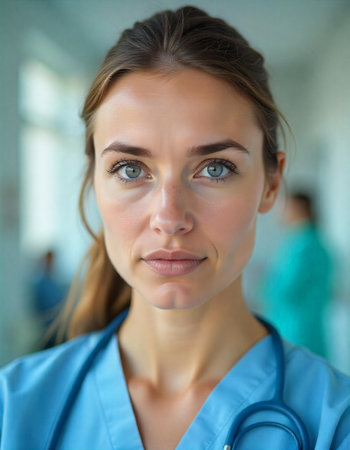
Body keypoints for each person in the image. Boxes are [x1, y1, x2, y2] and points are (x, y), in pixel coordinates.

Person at [1, 6, 349, 450]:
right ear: (94, 181)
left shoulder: (335, 423)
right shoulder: (12, 408)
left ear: (271, 184)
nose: (169, 217)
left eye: (216, 168)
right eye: (130, 169)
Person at [260, 191, 333, 358]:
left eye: (284, 207)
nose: (280, 213)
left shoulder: (303, 247)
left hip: (295, 331)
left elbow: (282, 290)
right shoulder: (312, 243)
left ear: (298, 208)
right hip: (307, 328)